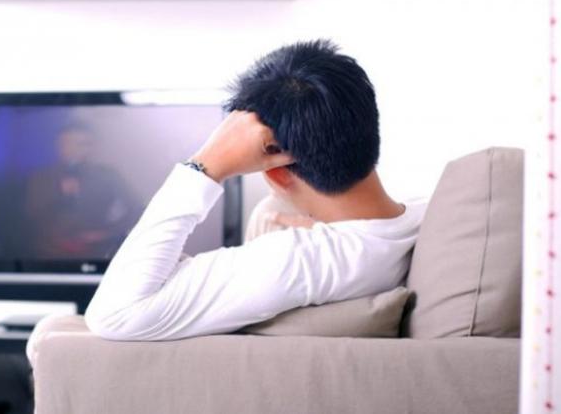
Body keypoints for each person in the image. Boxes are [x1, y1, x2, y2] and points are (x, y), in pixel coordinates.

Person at [84, 39, 427, 341]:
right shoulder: (425, 214)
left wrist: (205, 165)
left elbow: (115, 314)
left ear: (276, 174)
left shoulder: (301, 260)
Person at [25, 124, 138, 261]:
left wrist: (105, 234)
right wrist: (59, 194)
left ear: (92, 147)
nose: (74, 149)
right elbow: (31, 216)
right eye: (68, 144)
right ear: (59, 146)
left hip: (97, 256)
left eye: (82, 144)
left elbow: (136, 210)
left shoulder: (107, 176)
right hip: (49, 257)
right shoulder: (42, 177)